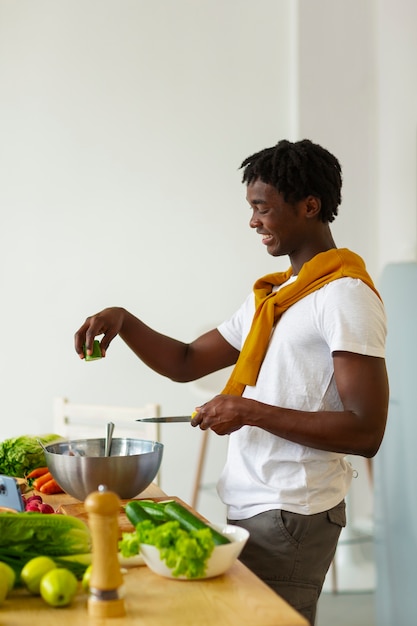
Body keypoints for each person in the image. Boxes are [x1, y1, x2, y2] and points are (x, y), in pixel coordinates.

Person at [74, 139, 389, 625]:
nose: (253, 221)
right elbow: (184, 361)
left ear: (310, 206)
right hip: (256, 504)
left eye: (262, 208)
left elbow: (366, 432)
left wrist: (247, 411)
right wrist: (125, 321)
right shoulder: (274, 299)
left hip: (293, 510)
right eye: (251, 208)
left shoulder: (344, 297)